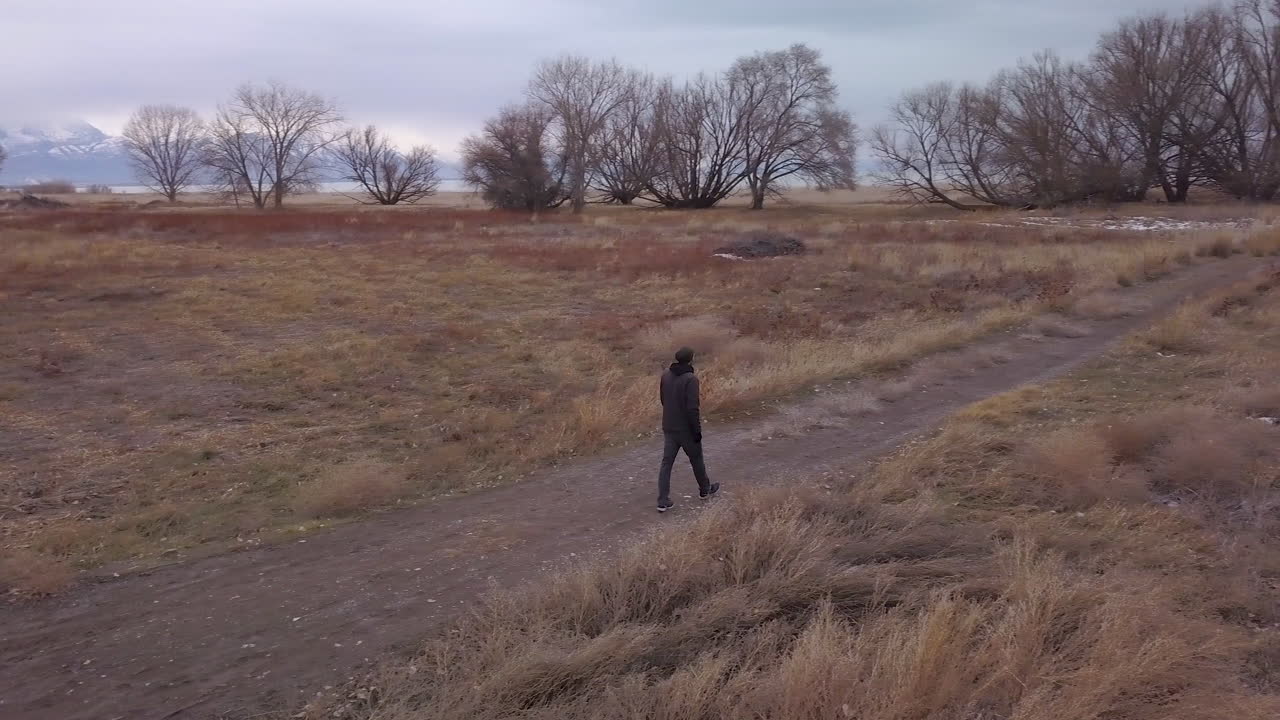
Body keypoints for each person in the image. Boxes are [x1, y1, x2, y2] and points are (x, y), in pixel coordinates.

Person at [656, 347, 719, 512]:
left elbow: (663, 400)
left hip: (668, 425)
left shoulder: (665, 375)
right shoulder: (691, 379)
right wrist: (696, 431)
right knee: (696, 459)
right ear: (691, 360)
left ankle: (662, 500)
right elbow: (692, 408)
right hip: (685, 429)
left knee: (666, 463)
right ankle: (705, 490)